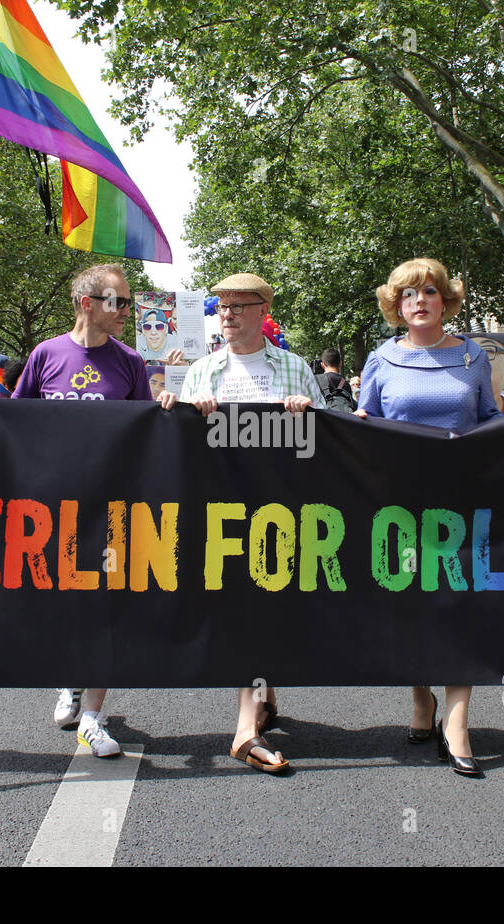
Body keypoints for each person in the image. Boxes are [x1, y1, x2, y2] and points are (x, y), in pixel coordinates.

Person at [158, 271, 324, 774]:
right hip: (220, 513)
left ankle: (261, 701)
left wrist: (306, 411)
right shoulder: (202, 371)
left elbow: (323, 442)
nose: (226, 314)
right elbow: (179, 445)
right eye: (221, 307)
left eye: (236, 306)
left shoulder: (294, 368)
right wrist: (181, 406)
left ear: (261, 311)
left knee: (267, 605)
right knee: (244, 609)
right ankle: (245, 730)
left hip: (280, 511)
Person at [355, 258, 500, 777]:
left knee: (460, 606)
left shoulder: (471, 357)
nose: (420, 301)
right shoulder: (381, 359)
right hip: (397, 506)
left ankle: (457, 721)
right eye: (409, 294)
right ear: (397, 305)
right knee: (409, 607)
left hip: (462, 502)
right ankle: (422, 699)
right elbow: (363, 427)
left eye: (430, 292)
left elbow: (489, 422)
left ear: (445, 301)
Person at [13, 264, 152, 759]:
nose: (127, 312)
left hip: (113, 508)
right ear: (86, 303)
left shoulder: (131, 361)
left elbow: (148, 432)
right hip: (55, 510)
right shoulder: (45, 355)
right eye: (119, 301)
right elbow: (13, 422)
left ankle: (92, 716)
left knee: (107, 606)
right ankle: (68, 679)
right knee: (62, 601)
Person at [314, 347, 356, 412]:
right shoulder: (346, 384)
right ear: (340, 363)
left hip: (320, 420)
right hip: (340, 420)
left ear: (322, 364)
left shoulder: (316, 380)